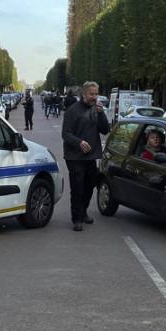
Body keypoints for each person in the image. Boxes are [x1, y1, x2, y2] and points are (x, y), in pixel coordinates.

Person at [61, 81, 110, 231]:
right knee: (78, 188)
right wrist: (79, 142)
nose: (94, 97)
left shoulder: (97, 110)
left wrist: (102, 115)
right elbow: (66, 134)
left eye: (96, 94)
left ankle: (83, 211)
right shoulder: (72, 111)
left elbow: (105, 130)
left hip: (91, 155)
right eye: (91, 94)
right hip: (74, 156)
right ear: (84, 94)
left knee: (90, 185)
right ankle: (77, 218)